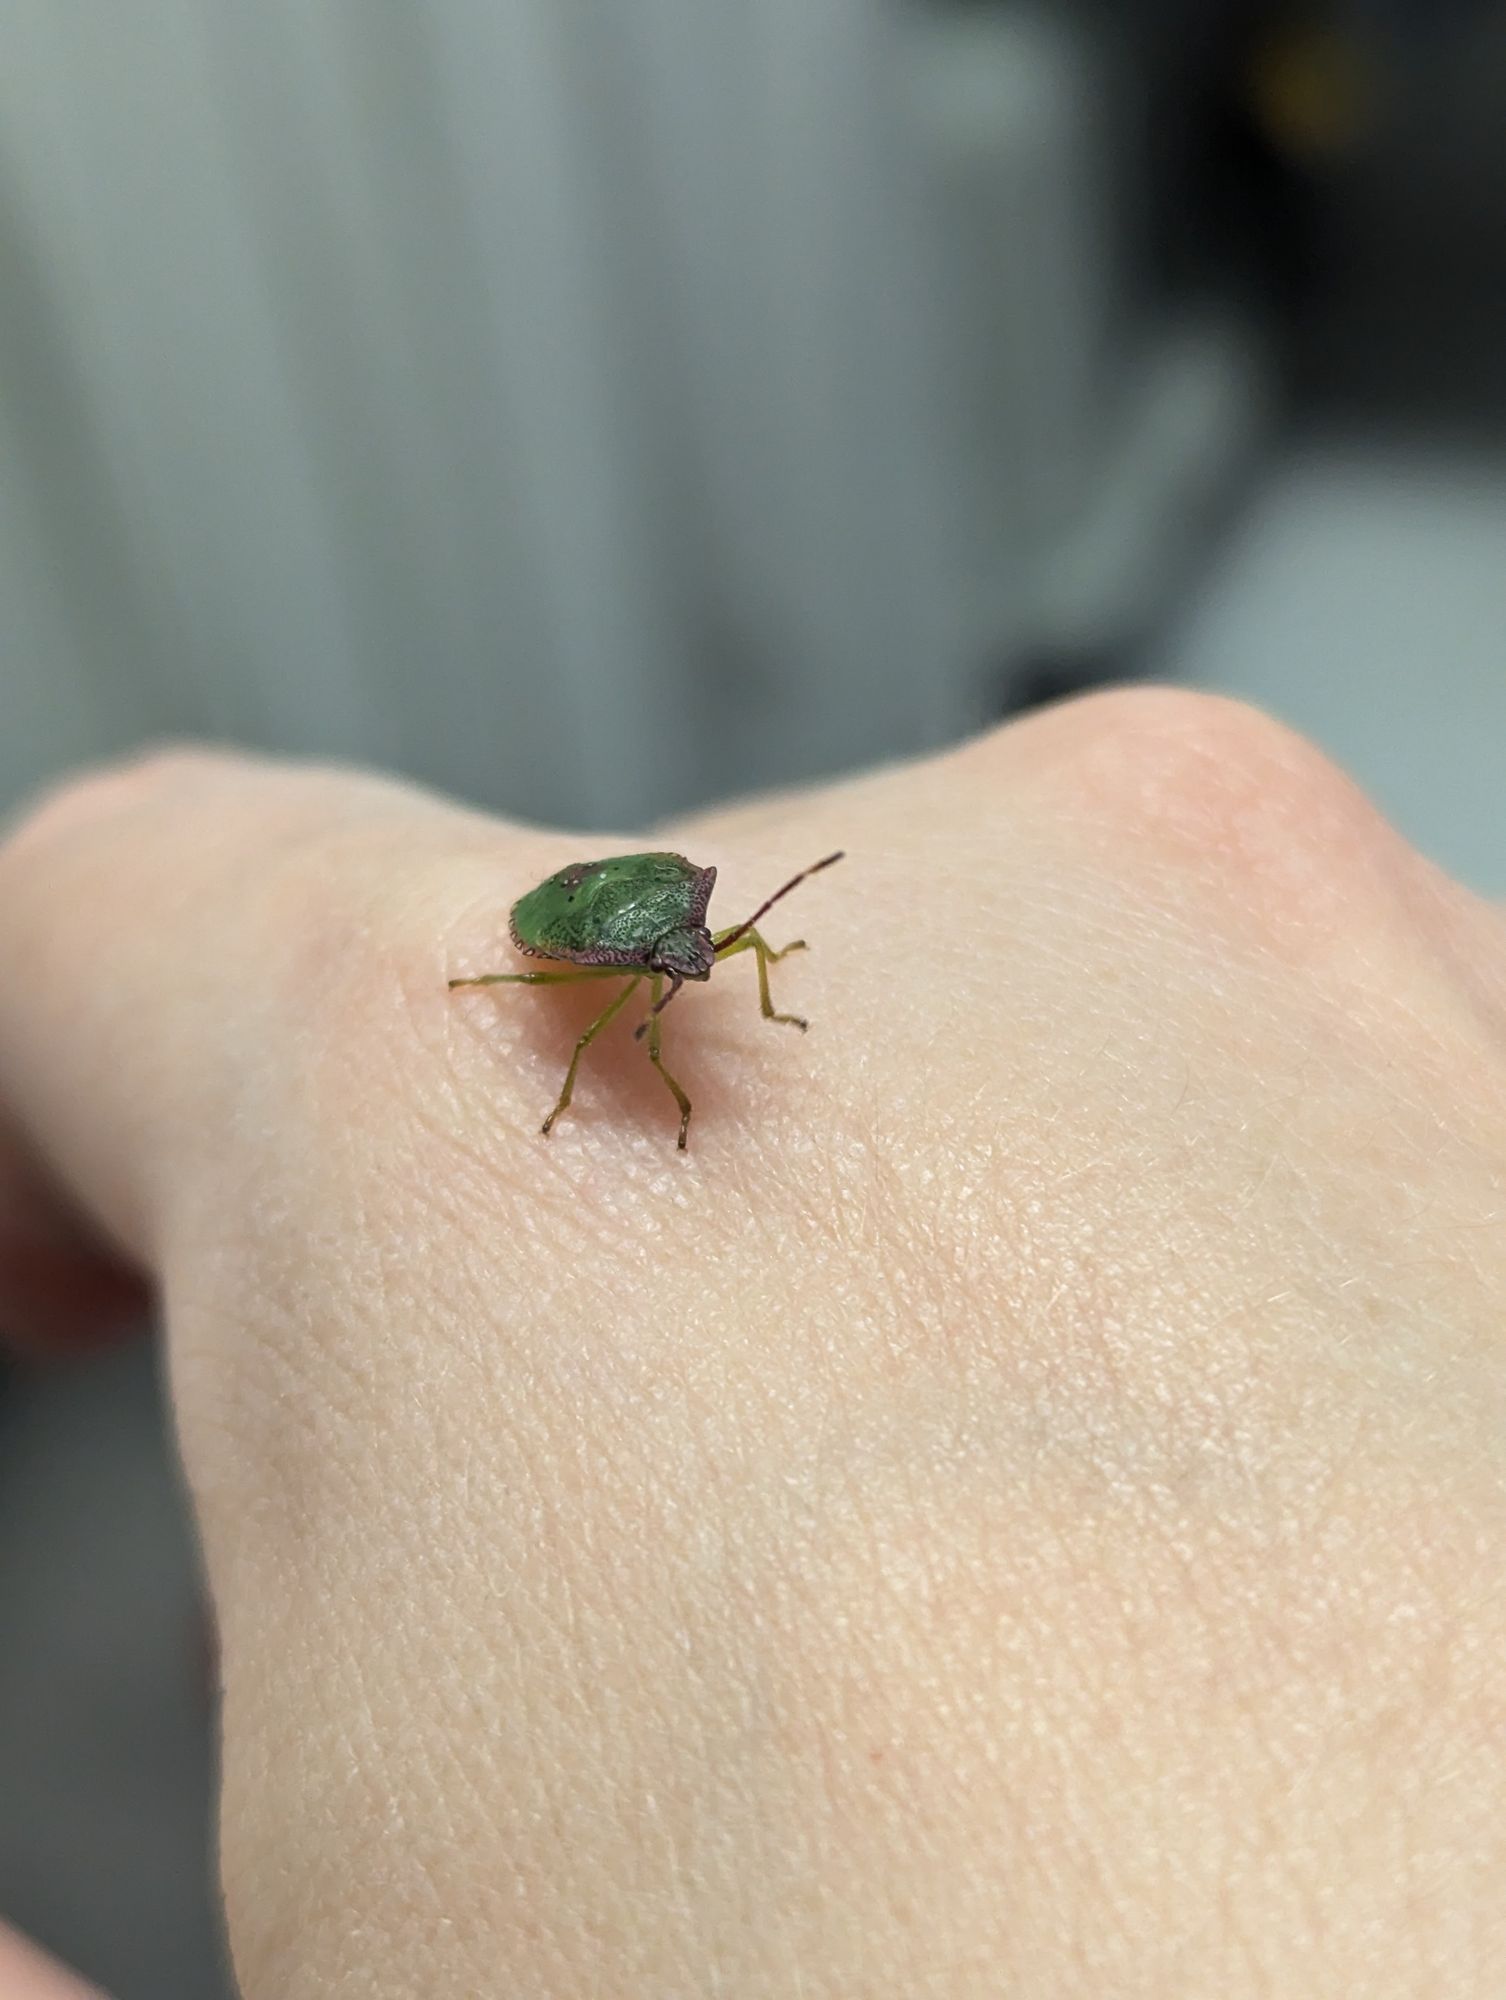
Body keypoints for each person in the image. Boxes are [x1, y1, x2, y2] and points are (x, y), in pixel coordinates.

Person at [0, 689, 1502, 1997]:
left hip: (607, 897)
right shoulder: (617, 994)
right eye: (697, 964)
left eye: (711, 960)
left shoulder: (704, 938)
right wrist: (489, 991)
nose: (707, 976)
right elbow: (568, 970)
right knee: (612, 1038)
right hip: (559, 929)